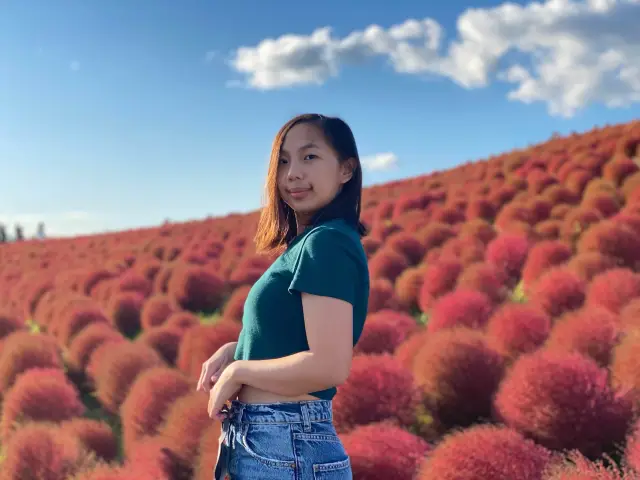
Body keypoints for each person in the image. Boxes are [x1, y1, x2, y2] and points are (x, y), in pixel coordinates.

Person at [197, 113, 370, 479]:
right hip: (275, 442)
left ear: (346, 169)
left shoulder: (326, 243)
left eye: (309, 157)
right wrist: (238, 349)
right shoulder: (310, 243)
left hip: (287, 443)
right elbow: (298, 338)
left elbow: (329, 366)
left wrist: (240, 371)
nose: (292, 173)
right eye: (284, 161)